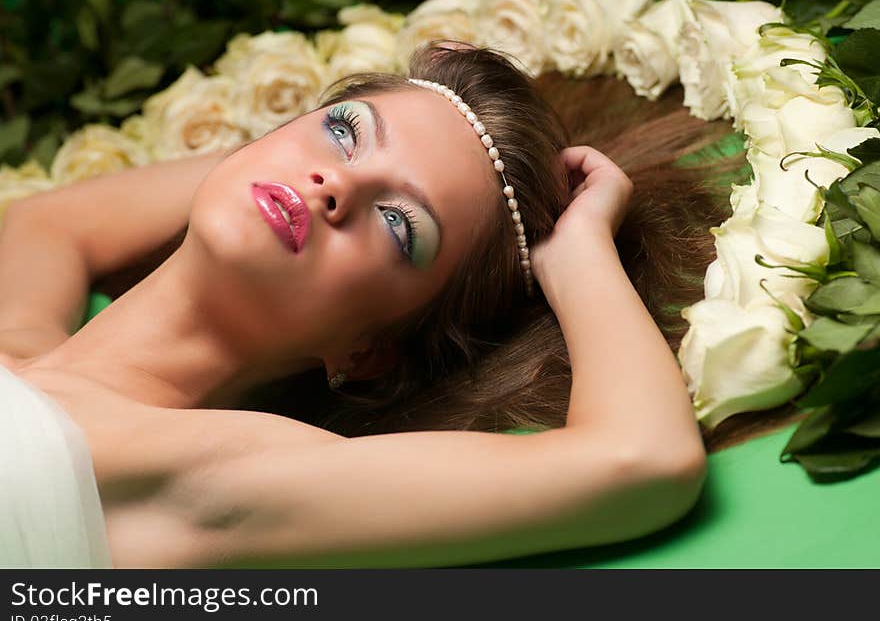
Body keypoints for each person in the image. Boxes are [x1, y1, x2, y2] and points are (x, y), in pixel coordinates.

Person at [0, 42, 707, 568]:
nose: (335, 185)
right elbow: (46, 223)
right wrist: (265, 160)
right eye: (344, 130)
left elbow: (641, 459)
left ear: (366, 352)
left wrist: (575, 249)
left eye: (400, 224)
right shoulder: (20, 329)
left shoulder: (207, 475)